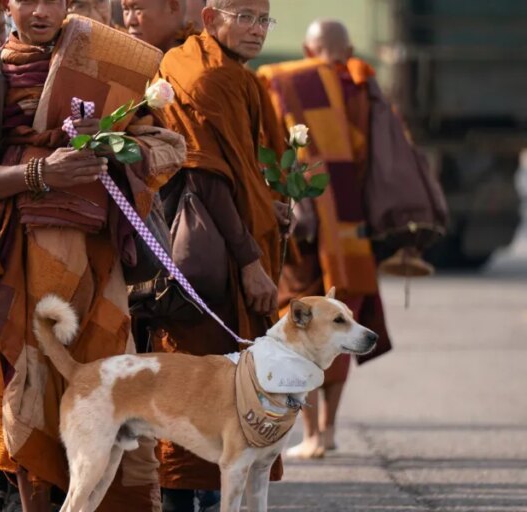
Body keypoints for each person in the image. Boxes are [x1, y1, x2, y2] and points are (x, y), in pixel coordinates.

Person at [0, 1, 187, 510]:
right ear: (9, 4)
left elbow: (163, 144)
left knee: (108, 385)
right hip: (20, 260)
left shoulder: (105, 59)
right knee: (31, 383)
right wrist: (40, 175)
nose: (40, 10)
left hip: (98, 261)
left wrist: (116, 149)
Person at [151, 0, 290, 509]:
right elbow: (206, 176)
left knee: (227, 381)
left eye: (264, 19)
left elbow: (244, 168)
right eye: (245, 17)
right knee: (200, 375)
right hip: (214, 256)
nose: (256, 30)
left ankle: (210, 494)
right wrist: (250, 260)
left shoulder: (235, 75)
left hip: (235, 240)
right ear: (211, 18)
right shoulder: (200, 76)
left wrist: (267, 204)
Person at [257, 18, 393, 461]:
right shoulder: (362, 88)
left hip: (304, 223)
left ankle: (310, 431)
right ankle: (328, 430)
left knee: (300, 323)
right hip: (351, 227)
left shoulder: (287, 81)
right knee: (342, 323)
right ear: (350, 47)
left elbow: (275, 147)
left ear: (305, 48)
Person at [122, 0, 204, 52]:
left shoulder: (197, 61)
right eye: (126, 9)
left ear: (172, 7)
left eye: (138, 9)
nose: (130, 21)